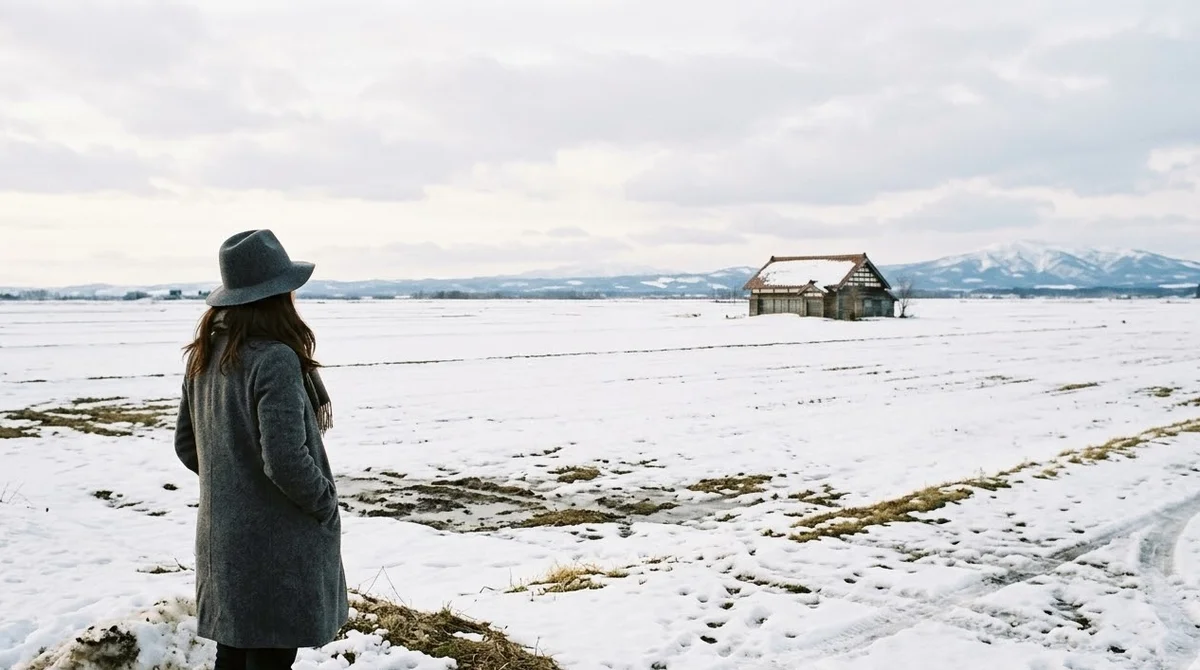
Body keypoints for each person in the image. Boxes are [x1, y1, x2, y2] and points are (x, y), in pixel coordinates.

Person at [174, 229, 348, 670]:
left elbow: (187, 445)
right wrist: (324, 503)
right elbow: (287, 459)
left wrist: (233, 483)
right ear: (275, 297)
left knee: (233, 653)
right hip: (275, 546)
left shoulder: (205, 354)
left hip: (224, 540)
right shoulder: (274, 358)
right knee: (269, 656)